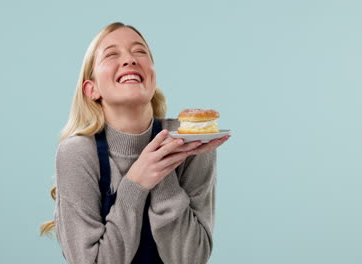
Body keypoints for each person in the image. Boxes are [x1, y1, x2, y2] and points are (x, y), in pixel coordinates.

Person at [40, 22, 230, 264]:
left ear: (152, 76)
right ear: (91, 89)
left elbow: (191, 258)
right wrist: (136, 182)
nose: (130, 59)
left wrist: (163, 170)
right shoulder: (77, 153)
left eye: (140, 51)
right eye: (111, 54)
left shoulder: (191, 144)